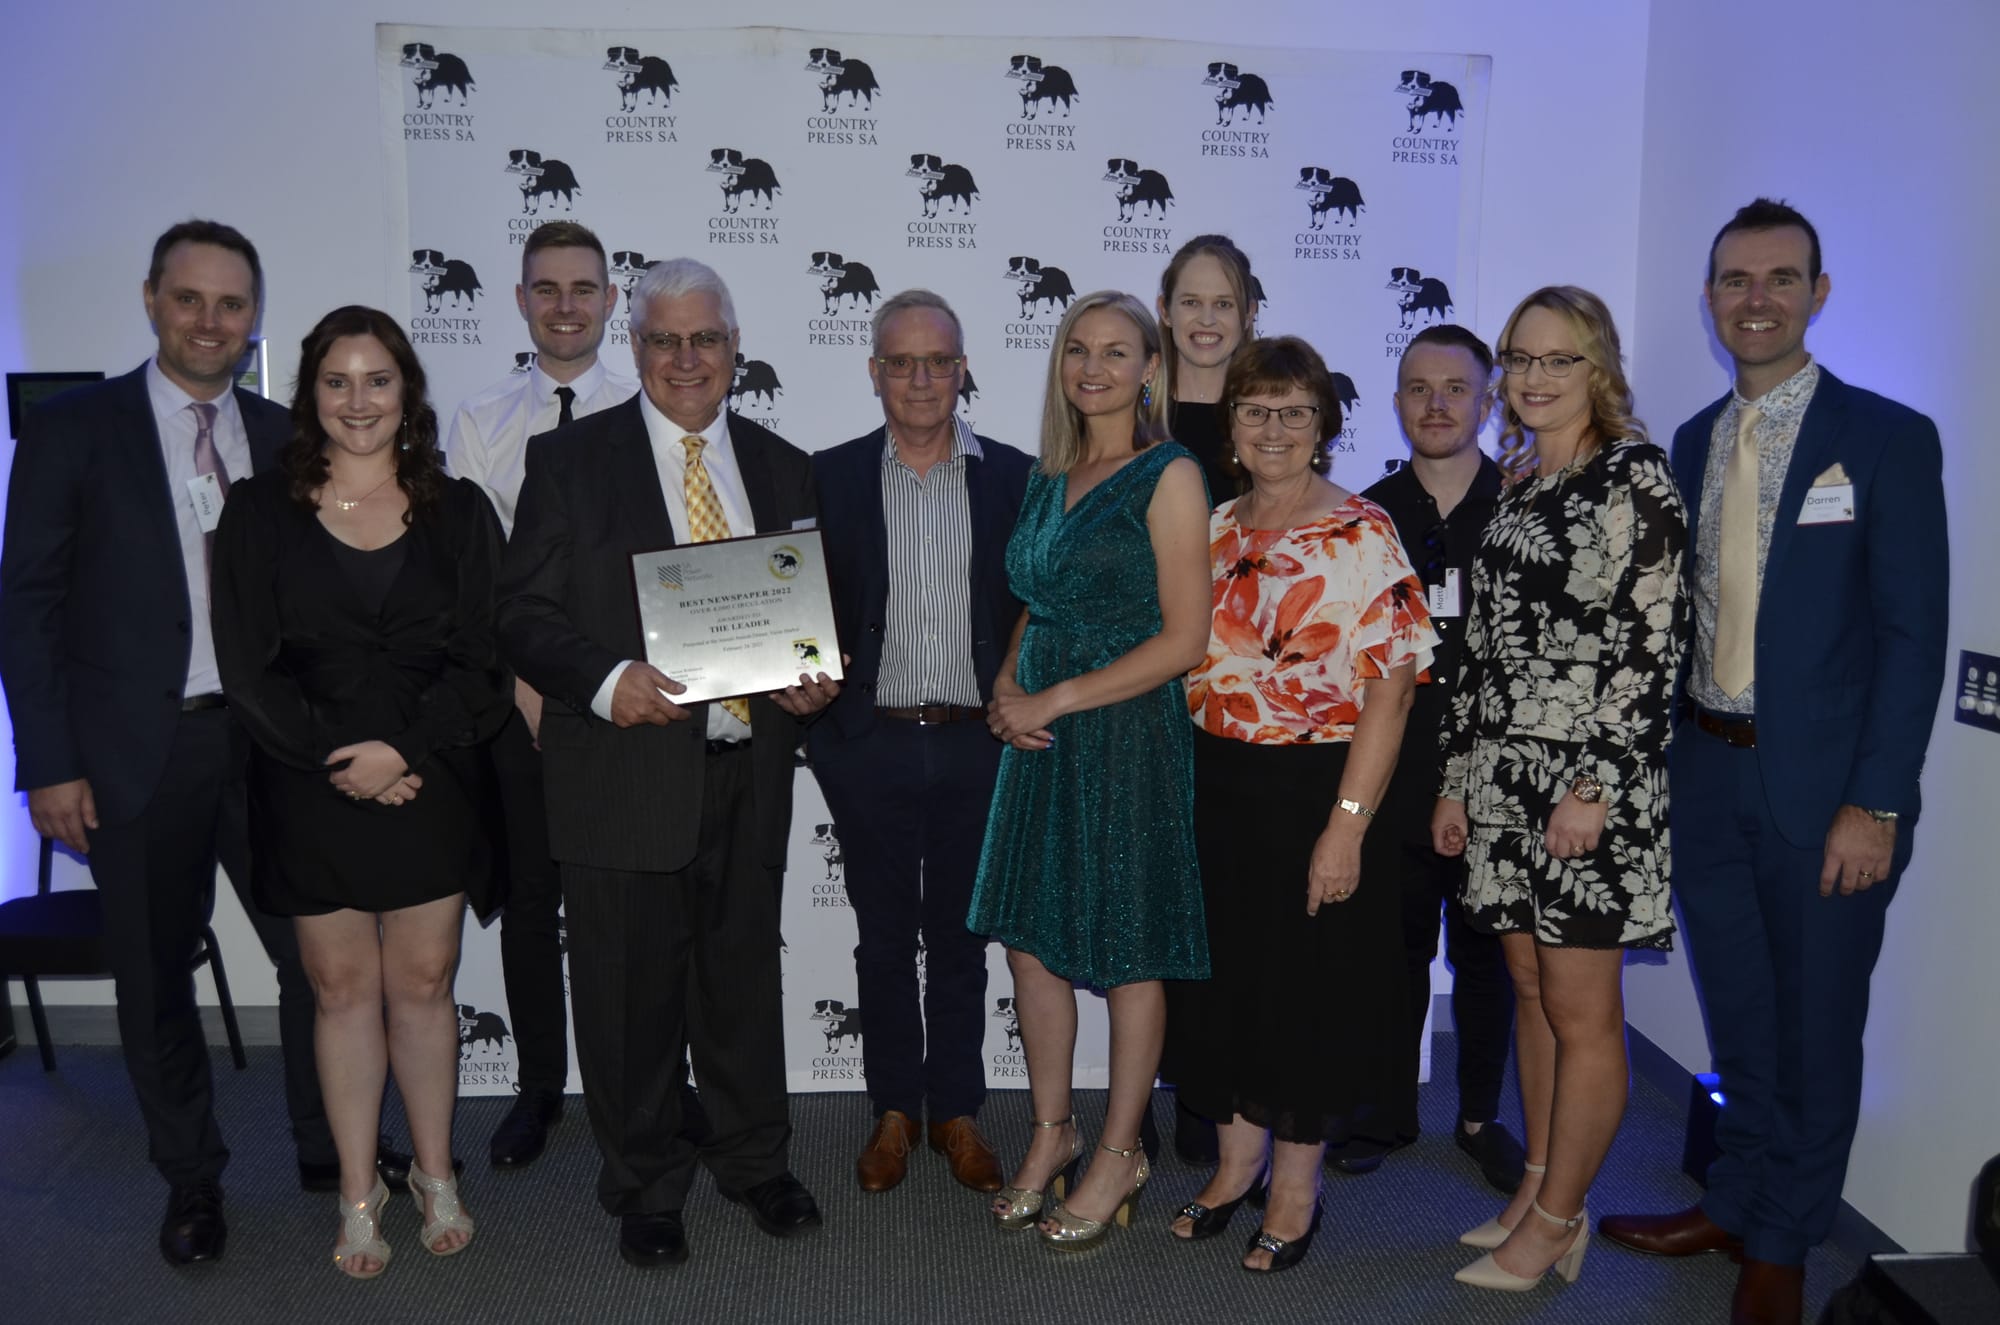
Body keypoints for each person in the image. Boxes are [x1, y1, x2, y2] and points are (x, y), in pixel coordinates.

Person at [1599, 200, 1949, 1325]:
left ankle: (1783, 1242)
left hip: (1826, 797)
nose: (1754, 299)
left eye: (1778, 279)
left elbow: (1910, 635)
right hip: (1704, 771)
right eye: (1733, 280)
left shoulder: (1887, 437)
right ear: (1708, 298)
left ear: (1816, 292)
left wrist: (1875, 800)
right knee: (1740, 1015)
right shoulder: (1694, 440)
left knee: (1813, 1026)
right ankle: (1738, 1196)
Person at [0, 220, 337, 1266]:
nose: (210, 321)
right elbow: (29, 603)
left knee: (317, 957)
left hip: (274, 747)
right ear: (152, 300)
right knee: (153, 980)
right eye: (189, 299)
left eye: (231, 305)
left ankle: (331, 1147)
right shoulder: (74, 428)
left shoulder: (287, 434)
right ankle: (191, 1178)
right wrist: (48, 762)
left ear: (254, 320)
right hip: (137, 755)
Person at [496, 257, 839, 1270]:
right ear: (631, 345)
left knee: (739, 982)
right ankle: (644, 1182)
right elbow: (520, 613)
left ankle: (752, 1161)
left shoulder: (784, 466)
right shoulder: (568, 462)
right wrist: (604, 679)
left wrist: (810, 681)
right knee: (626, 993)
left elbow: (804, 621)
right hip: (622, 768)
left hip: (748, 770)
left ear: (734, 349)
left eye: (705, 339)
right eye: (662, 339)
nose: (685, 359)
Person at [212, 306, 508, 1277]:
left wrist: (403, 751)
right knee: (340, 992)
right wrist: (347, 760)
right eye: (335, 381)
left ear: (405, 391)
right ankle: (356, 1188)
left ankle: (433, 1171)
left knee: (423, 985)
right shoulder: (257, 513)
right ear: (309, 395)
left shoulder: (461, 512)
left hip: (433, 778)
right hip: (307, 783)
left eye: (376, 379)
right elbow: (249, 671)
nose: (357, 401)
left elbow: (483, 661)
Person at [1432, 286, 1689, 1293]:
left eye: (1557, 360)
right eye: (1519, 359)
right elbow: (1480, 654)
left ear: (1599, 370)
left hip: (1590, 786)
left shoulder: (1637, 479)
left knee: (1582, 1011)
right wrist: (1458, 780)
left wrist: (1588, 785)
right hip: (1502, 781)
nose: (1532, 378)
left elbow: (1646, 647)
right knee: (1532, 992)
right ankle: (1536, 1180)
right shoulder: (1520, 480)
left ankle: (1556, 1219)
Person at [1167, 335, 1435, 1273]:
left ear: (1324, 425)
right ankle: (1235, 1167)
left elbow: (1392, 692)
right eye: (1255, 410)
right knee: (1231, 984)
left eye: (1294, 411)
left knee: (1305, 991)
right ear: (1230, 425)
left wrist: (1347, 825)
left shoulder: (1362, 531)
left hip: (1318, 786)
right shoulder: (1213, 524)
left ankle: (1294, 1187)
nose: (1274, 428)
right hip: (1217, 784)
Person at [967, 291, 1211, 1251]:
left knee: (1126, 946)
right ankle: (1051, 1128)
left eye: (1116, 352)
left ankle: (1119, 1149)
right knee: (1030, 941)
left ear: (1151, 367)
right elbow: (1035, 598)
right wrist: (1004, 680)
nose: (1094, 368)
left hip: (1120, 735)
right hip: (1035, 732)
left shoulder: (1171, 473)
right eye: (1079, 350)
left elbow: (1185, 638)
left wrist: (1055, 699)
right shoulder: (1050, 472)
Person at [807, 290, 1032, 1195]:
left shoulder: (1017, 476)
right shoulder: (827, 476)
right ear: (873, 373)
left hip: (980, 740)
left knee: (964, 935)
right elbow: (793, 598)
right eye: (901, 361)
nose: (921, 378)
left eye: (939, 360)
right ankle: (894, 1109)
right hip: (868, 741)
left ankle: (958, 1110)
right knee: (881, 936)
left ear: (964, 367)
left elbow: (1038, 609)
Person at [445, 220, 636, 1170]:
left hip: (625, 707)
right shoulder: (479, 422)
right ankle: (535, 1091)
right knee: (530, 905)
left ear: (611, 300)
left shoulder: (651, 408)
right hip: (518, 707)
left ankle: (644, 1084)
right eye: (547, 289)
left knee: (631, 907)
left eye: (583, 288)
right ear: (521, 301)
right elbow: (476, 579)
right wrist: (523, 689)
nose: (566, 306)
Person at [1353, 325, 1524, 1192]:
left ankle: (1479, 1116)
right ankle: (1384, 1109)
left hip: (1499, 778)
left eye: (1456, 387)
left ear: (1487, 401)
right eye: (1419, 387)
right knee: (1393, 949)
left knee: (1490, 954)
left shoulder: (1529, 505)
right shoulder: (1367, 515)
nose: (1436, 403)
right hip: (1398, 766)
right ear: (1397, 402)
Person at [1157, 233, 1258, 501]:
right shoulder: (1131, 418)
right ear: (1165, 310)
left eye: (1223, 304)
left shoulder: (1270, 424)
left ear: (1248, 314)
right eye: (1191, 302)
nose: (1207, 319)